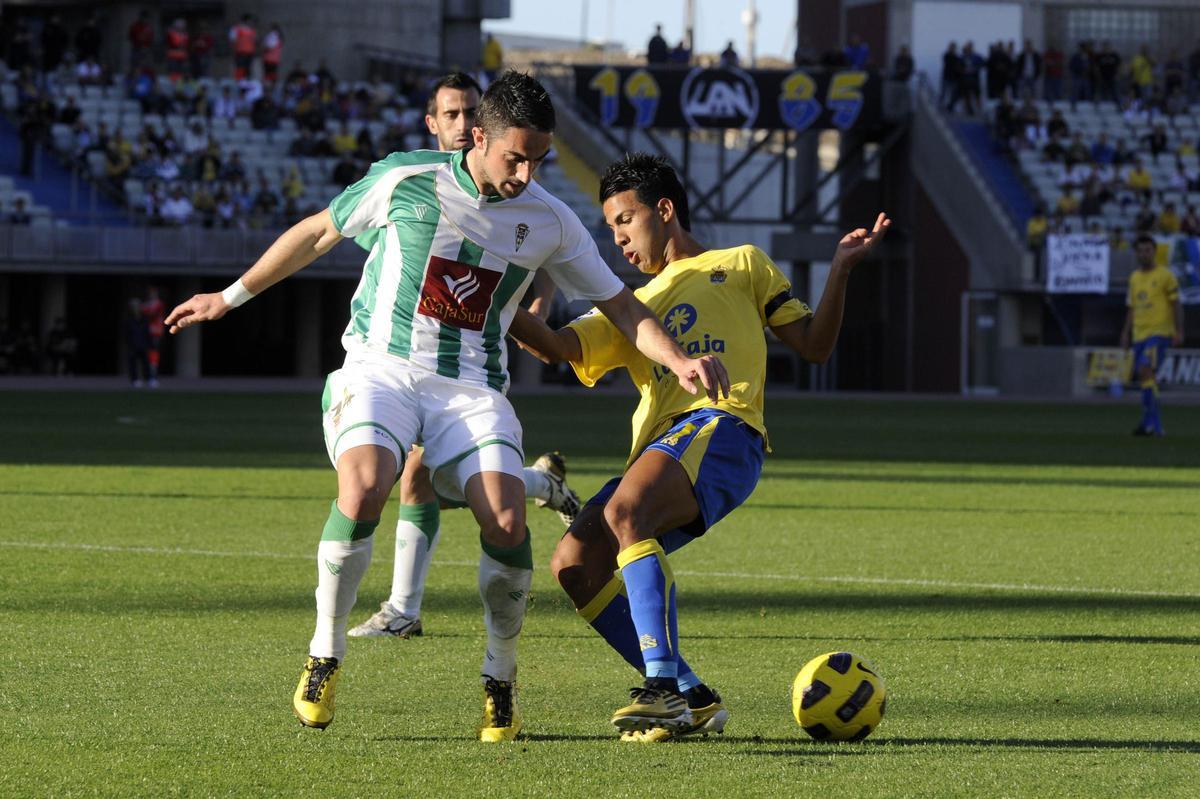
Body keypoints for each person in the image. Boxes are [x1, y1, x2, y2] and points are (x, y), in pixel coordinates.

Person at [163, 71, 728, 742]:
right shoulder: (406, 180)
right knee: (368, 484)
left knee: (507, 514)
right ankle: (324, 654)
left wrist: (678, 358)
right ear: (478, 136)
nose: (526, 172)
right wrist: (227, 298)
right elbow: (318, 233)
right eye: (515, 156)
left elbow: (621, 305)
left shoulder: (547, 218)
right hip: (381, 368)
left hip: (471, 389)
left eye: (538, 159)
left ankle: (499, 677)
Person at [508, 153, 887, 741]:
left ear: (664, 211)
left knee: (625, 512)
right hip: (661, 451)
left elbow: (813, 345)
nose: (618, 238)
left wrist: (839, 269)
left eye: (625, 220)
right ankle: (690, 694)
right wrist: (501, 290)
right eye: (609, 227)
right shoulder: (628, 304)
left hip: (725, 430)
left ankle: (658, 690)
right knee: (575, 564)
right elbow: (556, 346)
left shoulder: (740, 264)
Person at [346, 72, 583, 642]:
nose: (461, 124)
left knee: (428, 479)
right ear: (433, 123)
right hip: (406, 354)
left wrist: (533, 295)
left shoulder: (517, 194)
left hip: (470, 365)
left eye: (469, 114)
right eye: (449, 115)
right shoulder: (414, 185)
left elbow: (538, 246)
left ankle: (404, 607)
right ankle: (540, 485)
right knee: (426, 478)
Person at [1121, 235, 1184, 437]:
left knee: (1145, 367)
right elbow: (1131, 307)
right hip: (1139, 334)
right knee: (1146, 377)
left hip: (1160, 333)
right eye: (1140, 250)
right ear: (1136, 253)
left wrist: (1179, 330)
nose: (1144, 254)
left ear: (1154, 251)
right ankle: (1150, 424)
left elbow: (1176, 304)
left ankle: (1153, 425)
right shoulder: (1134, 278)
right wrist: (1125, 332)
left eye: (1147, 250)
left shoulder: (1166, 276)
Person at [230, 14, 257, 80]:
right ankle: (240, 84)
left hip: (250, 52)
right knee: (240, 69)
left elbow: (255, 40)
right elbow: (232, 39)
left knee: (248, 69)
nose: (251, 22)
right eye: (250, 20)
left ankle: (247, 83)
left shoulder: (252, 30)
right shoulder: (237, 28)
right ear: (246, 20)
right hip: (240, 52)